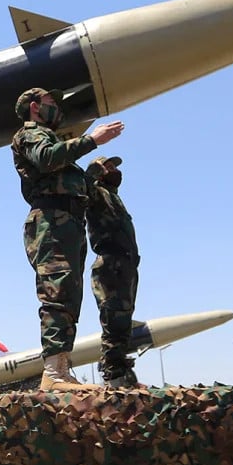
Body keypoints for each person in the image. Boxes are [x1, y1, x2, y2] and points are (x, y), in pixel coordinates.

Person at [10, 87, 124, 392]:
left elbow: (68, 184)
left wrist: (92, 172)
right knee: (57, 292)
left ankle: (60, 370)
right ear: (35, 107)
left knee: (69, 296)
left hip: (67, 222)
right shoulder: (30, 133)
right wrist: (91, 139)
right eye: (51, 102)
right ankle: (54, 374)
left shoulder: (51, 139)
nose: (57, 108)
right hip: (51, 222)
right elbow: (46, 159)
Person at [85, 156, 141, 388]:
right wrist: (92, 171)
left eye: (115, 166)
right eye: (108, 166)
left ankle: (120, 369)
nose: (114, 170)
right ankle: (113, 373)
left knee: (123, 318)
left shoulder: (113, 196)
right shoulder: (96, 192)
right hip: (111, 263)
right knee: (113, 318)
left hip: (125, 263)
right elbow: (82, 186)